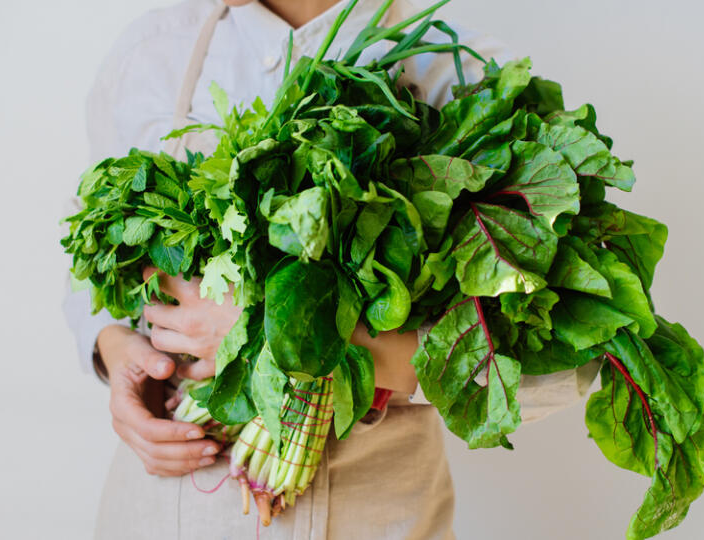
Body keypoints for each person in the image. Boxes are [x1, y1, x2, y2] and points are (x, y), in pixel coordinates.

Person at [62, 0, 600, 538]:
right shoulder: (151, 52)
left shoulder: (461, 69)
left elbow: (566, 366)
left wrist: (290, 336)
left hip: (374, 514)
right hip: (161, 506)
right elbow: (87, 254)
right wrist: (114, 348)